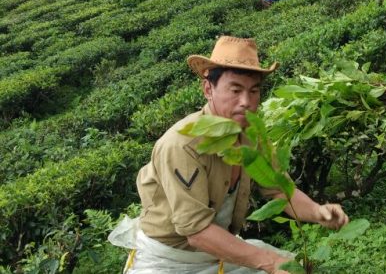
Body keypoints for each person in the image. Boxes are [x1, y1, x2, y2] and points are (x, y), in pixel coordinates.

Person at [109, 36, 349, 274]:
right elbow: (197, 231)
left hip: (220, 248)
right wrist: (270, 262)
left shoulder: (251, 135)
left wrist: (318, 212)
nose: (246, 102)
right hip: (171, 259)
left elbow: (279, 190)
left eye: (254, 91)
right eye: (235, 90)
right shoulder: (182, 145)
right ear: (208, 89)